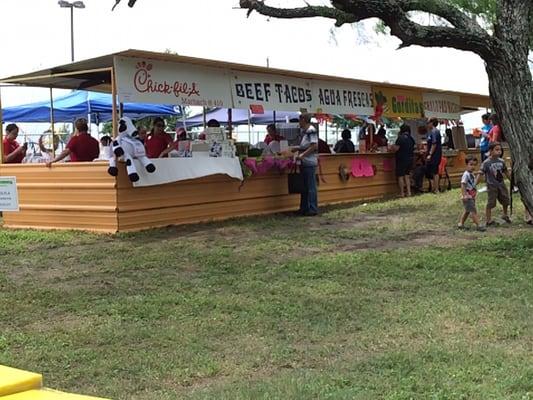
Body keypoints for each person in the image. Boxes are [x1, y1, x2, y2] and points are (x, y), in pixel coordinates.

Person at [478, 141, 512, 226]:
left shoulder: (501, 161)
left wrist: (512, 180)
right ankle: (488, 220)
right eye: (497, 150)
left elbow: (506, 172)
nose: (499, 151)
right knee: (491, 202)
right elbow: (480, 173)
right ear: (490, 150)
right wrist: (475, 183)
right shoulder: (486, 162)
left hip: (501, 184)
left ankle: (505, 214)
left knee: (505, 199)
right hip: (491, 186)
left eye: (500, 150)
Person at [291, 113, 318, 216]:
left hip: (309, 162)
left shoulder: (311, 130)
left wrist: (302, 155)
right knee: (304, 187)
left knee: (310, 187)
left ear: (303, 120)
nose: (299, 122)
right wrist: (298, 148)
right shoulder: (305, 132)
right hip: (304, 162)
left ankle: (312, 208)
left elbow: (314, 146)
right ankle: (304, 208)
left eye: (299, 120)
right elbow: (306, 146)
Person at [458, 155, 485, 231]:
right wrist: (464, 195)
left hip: (472, 195)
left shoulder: (471, 174)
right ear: (466, 165)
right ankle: (479, 225)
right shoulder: (466, 174)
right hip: (468, 196)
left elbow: (474, 183)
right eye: (471, 164)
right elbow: (463, 185)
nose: (473, 167)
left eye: (474, 165)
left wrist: (479, 175)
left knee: (467, 210)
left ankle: (461, 224)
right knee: (473, 211)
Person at [390, 124, 415, 197]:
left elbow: (396, 148)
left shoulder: (400, 138)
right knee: (407, 176)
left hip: (401, 159)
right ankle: (409, 192)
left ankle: (402, 193)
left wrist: (392, 147)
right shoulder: (411, 138)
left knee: (400, 176)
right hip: (410, 159)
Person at [425, 118, 442, 194]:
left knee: (435, 172)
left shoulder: (435, 131)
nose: (427, 124)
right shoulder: (431, 132)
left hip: (435, 155)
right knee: (430, 171)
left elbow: (434, 144)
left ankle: (436, 189)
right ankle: (433, 187)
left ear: (432, 123)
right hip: (432, 155)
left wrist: (430, 154)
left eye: (428, 122)